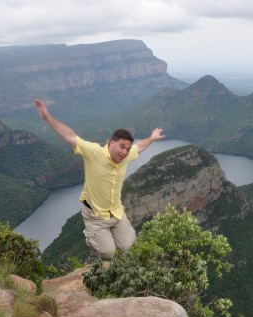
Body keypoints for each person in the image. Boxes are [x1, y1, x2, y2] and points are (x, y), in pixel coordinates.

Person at [34, 99, 165, 258]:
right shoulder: (94, 153)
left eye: (127, 148)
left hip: (116, 213)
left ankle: (112, 238)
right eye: (121, 146)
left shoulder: (126, 156)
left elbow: (140, 147)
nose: (124, 152)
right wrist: (48, 117)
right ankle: (91, 234)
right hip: (95, 216)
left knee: (128, 245)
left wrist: (152, 137)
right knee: (108, 252)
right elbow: (70, 136)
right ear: (111, 143)